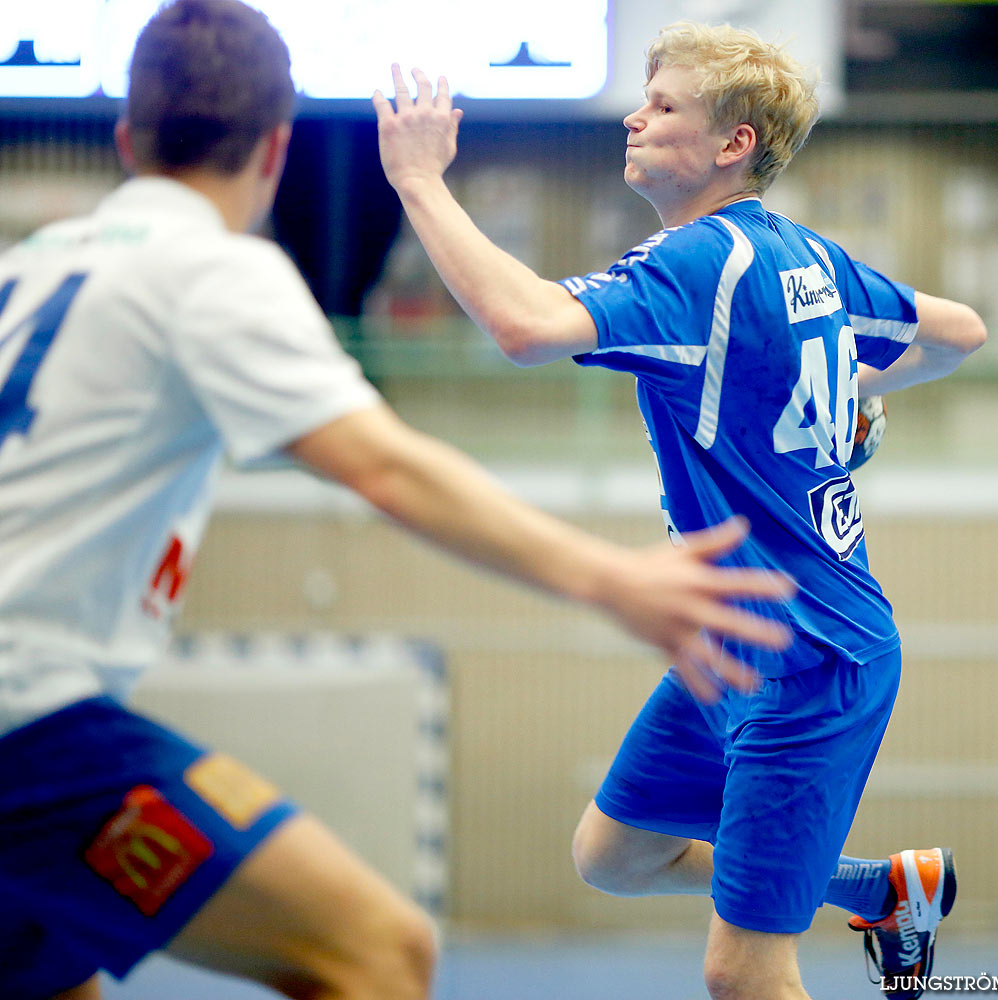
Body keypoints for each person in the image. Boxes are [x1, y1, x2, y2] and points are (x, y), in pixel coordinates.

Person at [0, 5, 800, 1000]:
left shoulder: (29, 266)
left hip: (34, 732)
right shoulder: (209, 272)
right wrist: (613, 577)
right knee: (382, 951)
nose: (639, 117)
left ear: (127, 139)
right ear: (276, 145)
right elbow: (387, 467)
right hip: (28, 725)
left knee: (53, 978)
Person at [371, 19, 986, 1000]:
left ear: (733, 142)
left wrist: (418, 182)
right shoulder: (801, 255)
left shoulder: (699, 264)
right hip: (732, 634)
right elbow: (960, 331)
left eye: (663, 106)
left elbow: (526, 326)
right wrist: (859, 401)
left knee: (743, 972)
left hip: (810, 655)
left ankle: (840, 901)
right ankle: (878, 889)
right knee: (612, 854)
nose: (634, 115)